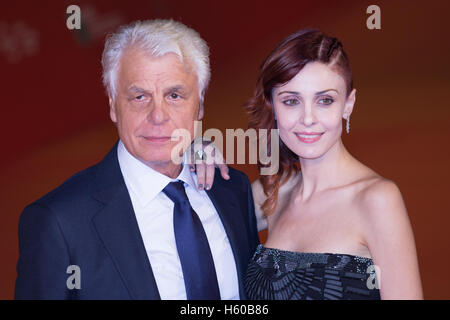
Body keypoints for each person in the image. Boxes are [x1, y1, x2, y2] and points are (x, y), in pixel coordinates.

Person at [15, 19, 259, 300]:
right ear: (113, 106)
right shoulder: (59, 223)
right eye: (140, 96)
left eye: (175, 95)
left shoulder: (232, 190)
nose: (158, 116)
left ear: (200, 104)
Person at [202, 29, 422, 299]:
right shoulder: (273, 191)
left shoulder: (377, 199)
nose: (308, 118)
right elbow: (194, 215)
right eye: (291, 101)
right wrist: (195, 152)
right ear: (272, 105)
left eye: (325, 100)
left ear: (348, 104)